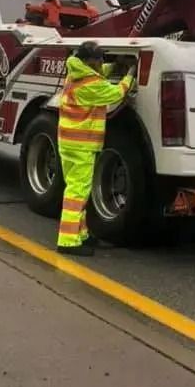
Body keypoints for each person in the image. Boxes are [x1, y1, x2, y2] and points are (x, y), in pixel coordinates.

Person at [57, 41, 136, 256]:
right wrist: (130, 73)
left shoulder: (76, 74)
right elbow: (116, 92)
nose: (102, 63)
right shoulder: (90, 85)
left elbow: (99, 77)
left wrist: (115, 66)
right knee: (77, 192)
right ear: (90, 62)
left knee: (77, 189)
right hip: (81, 145)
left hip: (69, 142)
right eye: (99, 60)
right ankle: (68, 241)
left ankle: (80, 234)